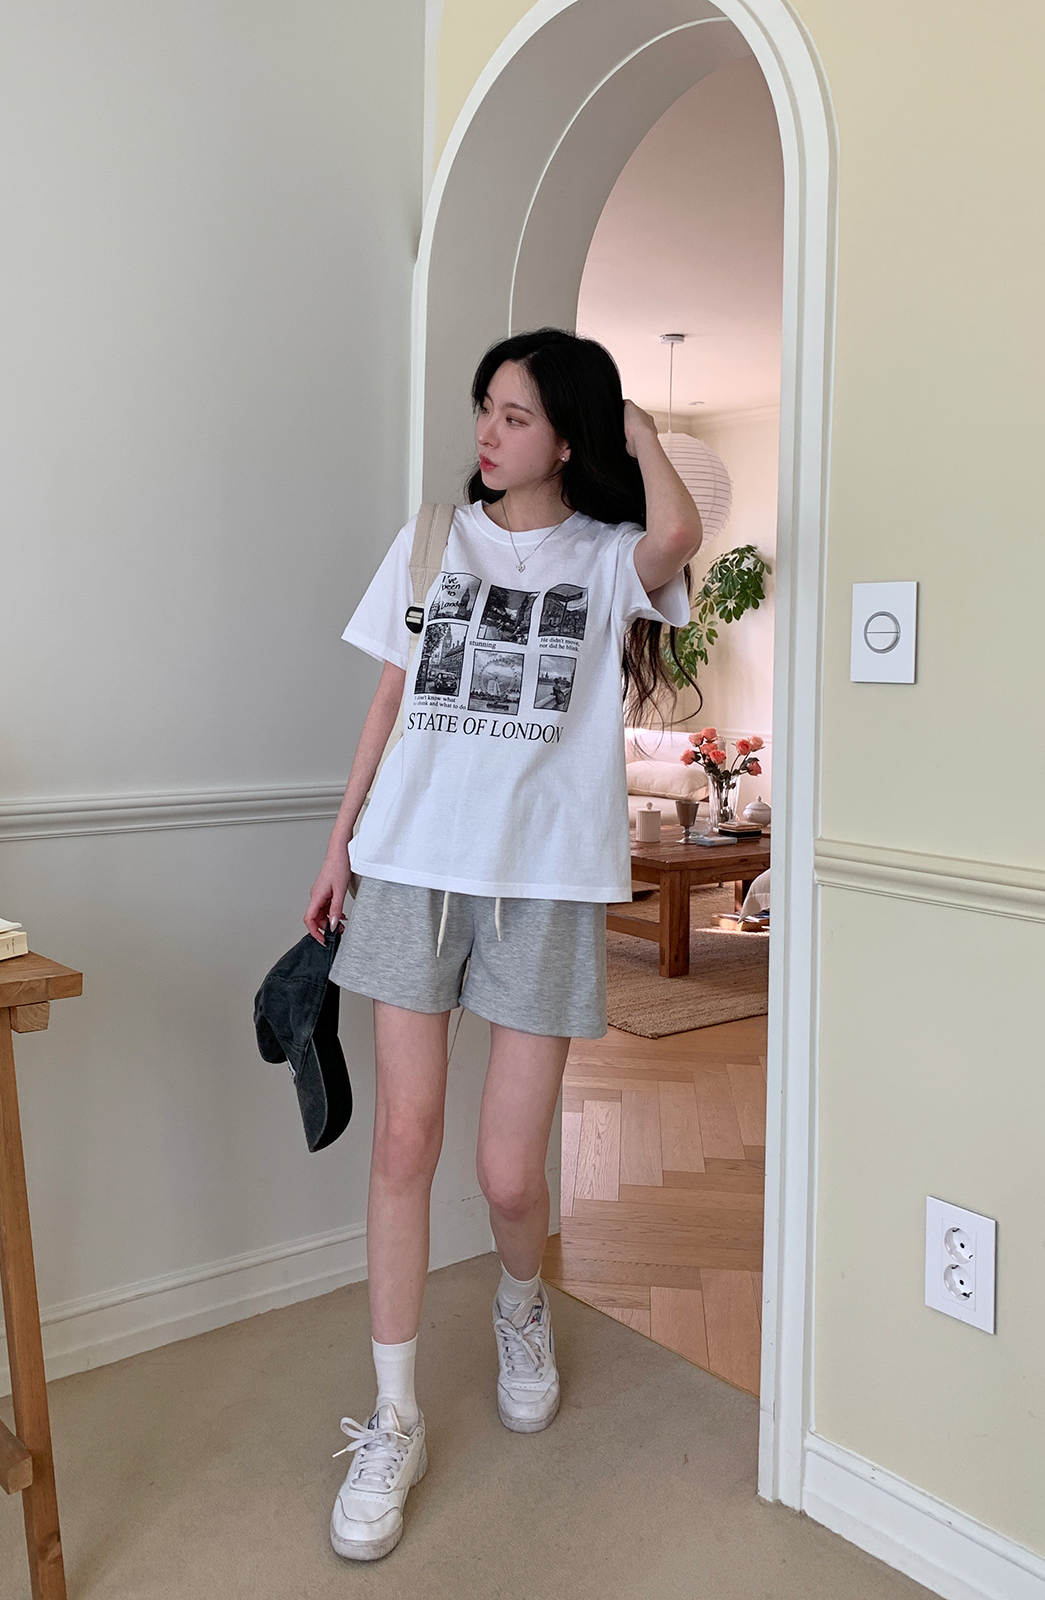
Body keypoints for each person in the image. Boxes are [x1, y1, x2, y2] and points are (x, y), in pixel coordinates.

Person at [303, 327, 702, 1562]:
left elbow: (680, 532)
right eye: (486, 406)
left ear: (568, 436)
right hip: (409, 868)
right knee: (403, 1143)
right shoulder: (433, 538)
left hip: (543, 884)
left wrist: (638, 427)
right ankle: (394, 1417)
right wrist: (339, 846)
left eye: (517, 414)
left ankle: (521, 1304)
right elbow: (388, 701)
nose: (487, 430)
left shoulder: (606, 559)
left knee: (509, 1174)